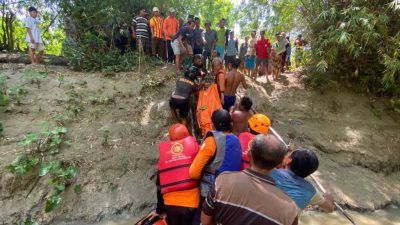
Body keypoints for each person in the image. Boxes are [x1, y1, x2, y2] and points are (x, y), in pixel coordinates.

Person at [201, 134, 298, 225]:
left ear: (249, 154)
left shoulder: (223, 181)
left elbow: (205, 221)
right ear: (279, 165)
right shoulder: (290, 209)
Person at [189, 109, 242, 225]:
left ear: (213, 124)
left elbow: (193, 173)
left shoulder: (211, 141)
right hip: (232, 192)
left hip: (212, 191)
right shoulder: (237, 140)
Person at [152, 124, 200, 225]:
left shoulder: (165, 159)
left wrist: (160, 210)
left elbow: (159, 187)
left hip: (170, 206)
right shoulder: (195, 152)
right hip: (191, 205)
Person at [271, 148, 335, 213]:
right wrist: (329, 199)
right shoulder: (311, 191)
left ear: (289, 161)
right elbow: (330, 209)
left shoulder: (269, 171)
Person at [169, 55, 203, 127]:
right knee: (184, 119)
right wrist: (201, 84)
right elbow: (197, 91)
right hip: (183, 101)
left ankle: (176, 122)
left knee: (172, 107)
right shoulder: (193, 83)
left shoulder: (179, 79)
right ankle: (183, 129)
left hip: (173, 99)